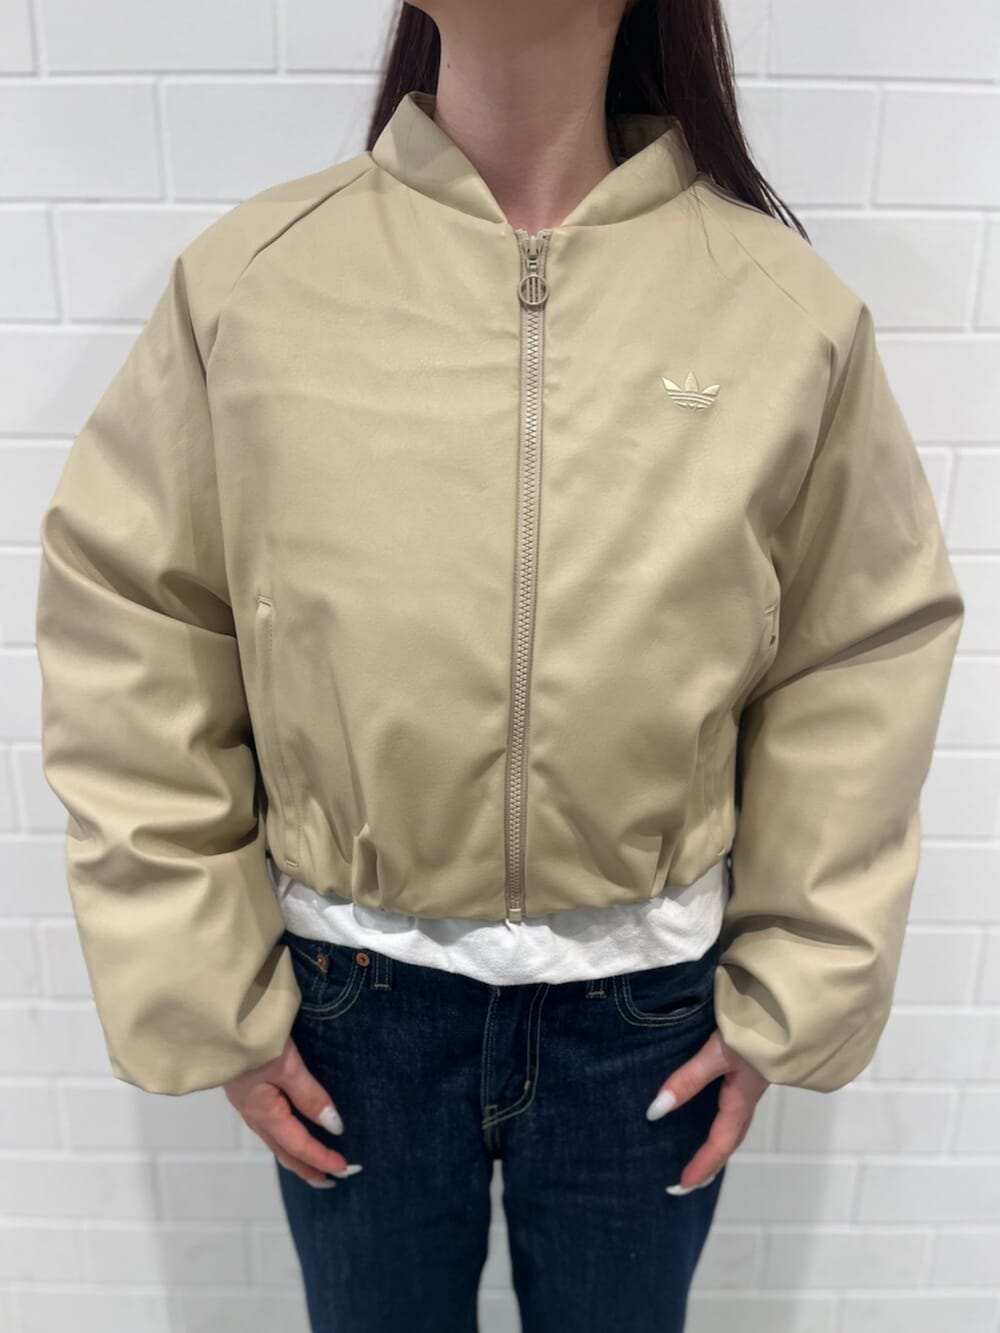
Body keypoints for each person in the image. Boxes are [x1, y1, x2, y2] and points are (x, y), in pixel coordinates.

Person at [34, 1, 964, 1330]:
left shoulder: (780, 312)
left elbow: (857, 653)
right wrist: (204, 990)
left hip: (645, 1020)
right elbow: (135, 618)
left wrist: (794, 989)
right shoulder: (257, 286)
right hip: (349, 1010)